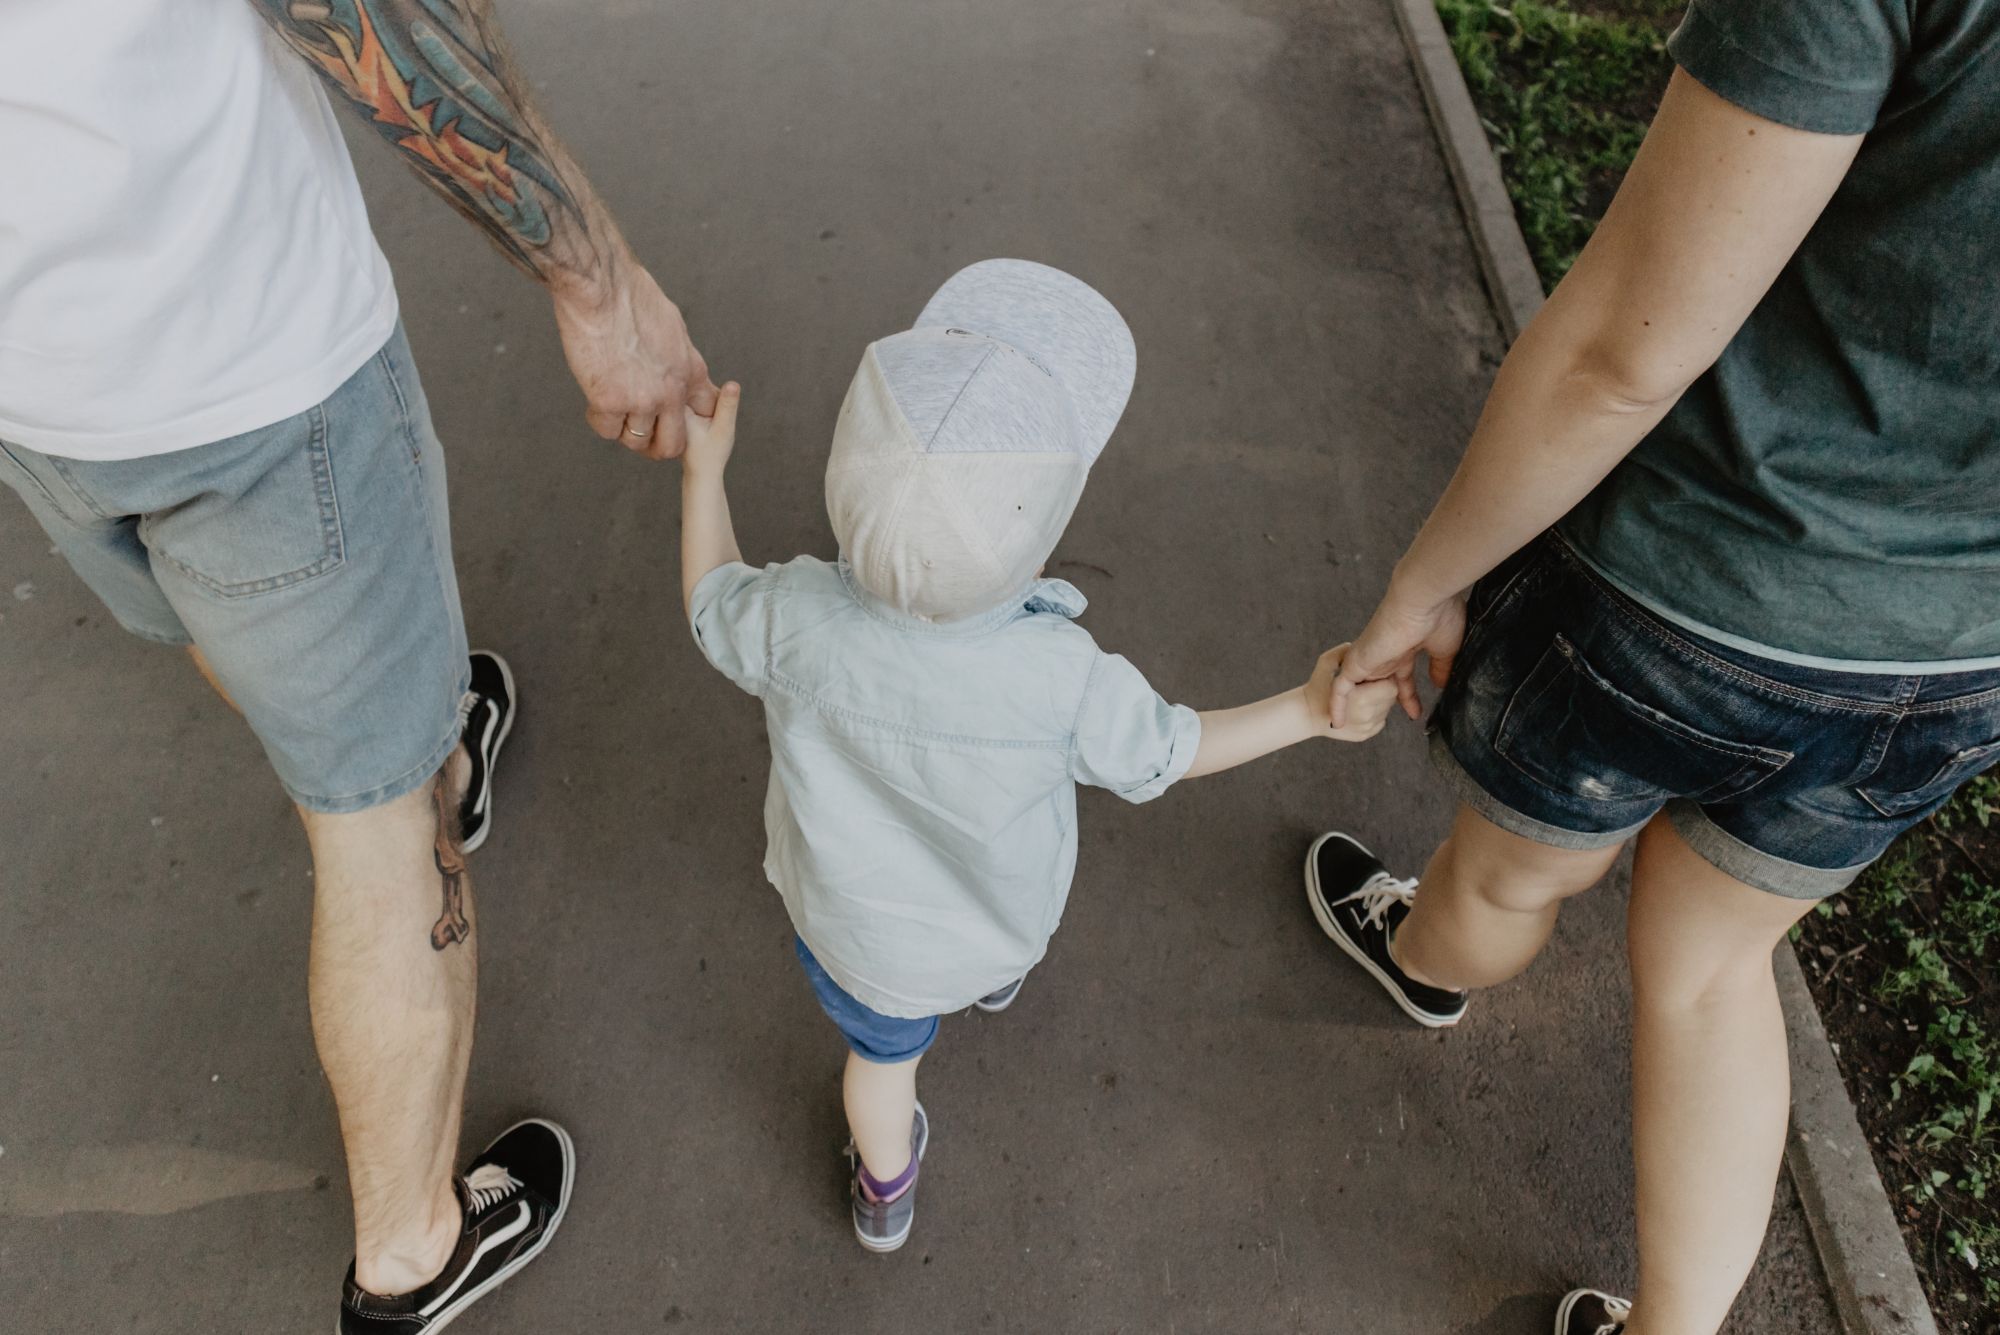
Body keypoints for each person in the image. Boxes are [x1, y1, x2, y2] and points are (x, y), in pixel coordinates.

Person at [0, 2, 715, 1329]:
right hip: (242, 372)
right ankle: (412, 1250)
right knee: (382, 836)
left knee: (237, 633)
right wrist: (599, 284)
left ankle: (424, 741)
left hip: (30, 399)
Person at [1307, 0, 2000, 1332]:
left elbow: (1628, 345)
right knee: (1713, 968)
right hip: (1960, 655)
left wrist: (1426, 580)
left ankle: (1424, 954)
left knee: (1521, 865)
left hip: (1696, 585)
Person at [675, 259, 1400, 1252]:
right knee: (986, 953)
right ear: (1043, 531)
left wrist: (703, 473)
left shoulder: (795, 619)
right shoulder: (1061, 677)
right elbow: (1174, 749)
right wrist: (1310, 708)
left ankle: (885, 1190)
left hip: (853, 935)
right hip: (996, 920)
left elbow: (711, 603)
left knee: (880, 1069)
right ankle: (989, 981)